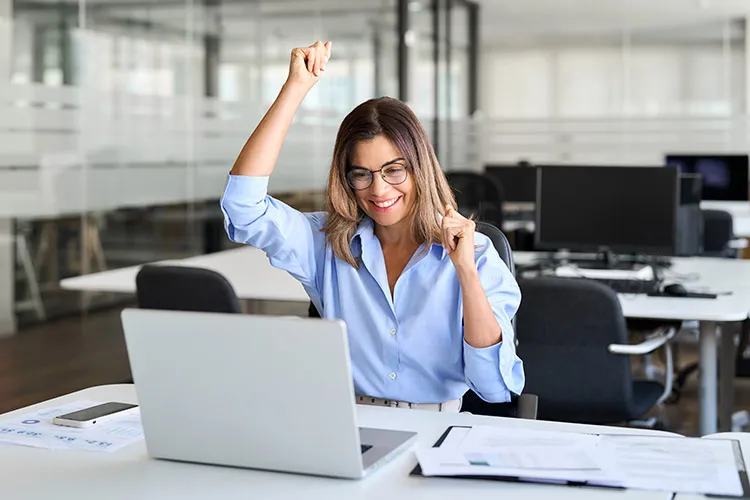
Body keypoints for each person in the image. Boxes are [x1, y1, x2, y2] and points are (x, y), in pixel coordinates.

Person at [220, 41, 524, 412]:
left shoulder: (473, 255)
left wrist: (465, 273)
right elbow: (242, 207)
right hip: (348, 423)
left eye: (394, 170)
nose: (379, 190)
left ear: (419, 168)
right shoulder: (327, 244)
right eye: (361, 174)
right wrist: (295, 88)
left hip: (435, 428)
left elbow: (493, 386)